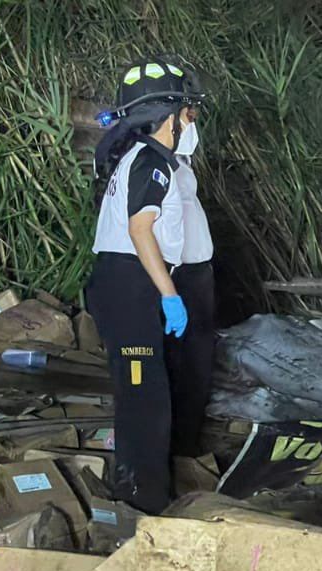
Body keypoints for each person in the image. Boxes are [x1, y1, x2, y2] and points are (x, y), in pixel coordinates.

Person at [87, 58, 212, 514]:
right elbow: (142, 230)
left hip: (135, 283)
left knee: (157, 388)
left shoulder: (152, 159)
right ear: (168, 116)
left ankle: (156, 485)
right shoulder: (151, 163)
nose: (192, 121)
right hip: (131, 285)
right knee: (144, 396)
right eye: (188, 113)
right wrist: (170, 296)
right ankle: (140, 499)